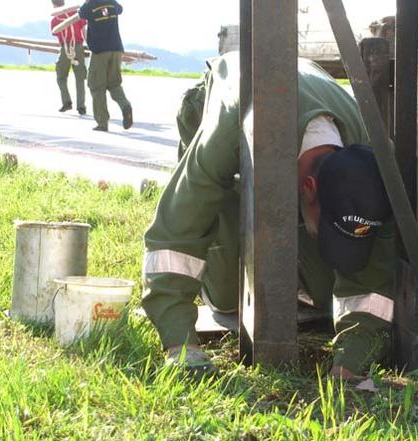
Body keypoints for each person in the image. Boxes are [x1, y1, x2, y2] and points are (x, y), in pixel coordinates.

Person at [142, 51, 397, 380]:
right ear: (307, 188)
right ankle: (232, 223)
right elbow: (175, 234)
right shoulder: (228, 132)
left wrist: (351, 361)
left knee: (323, 296)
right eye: (330, 229)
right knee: (227, 299)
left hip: (304, 93)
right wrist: (180, 345)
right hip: (220, 103)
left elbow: (373, 272)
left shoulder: (372, 163)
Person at [78, 0, 132, 132]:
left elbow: (81, 14)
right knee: (114, 84)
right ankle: (125, 105)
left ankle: (102, 122)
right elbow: (120, 9)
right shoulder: (112, 2)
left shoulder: (89, 5)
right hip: (116, 48)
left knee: (97, 86)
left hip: (100, 51)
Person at [50, 0, 88, 115]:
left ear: (53, 4)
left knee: (61, 76)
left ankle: (66, 102)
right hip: (78, 47)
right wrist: (88, 45)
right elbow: (84, 31)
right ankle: (81, 106)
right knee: (80, 78)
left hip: (65, 48)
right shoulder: (77, 15)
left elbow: (57, 35)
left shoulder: (55, 19)